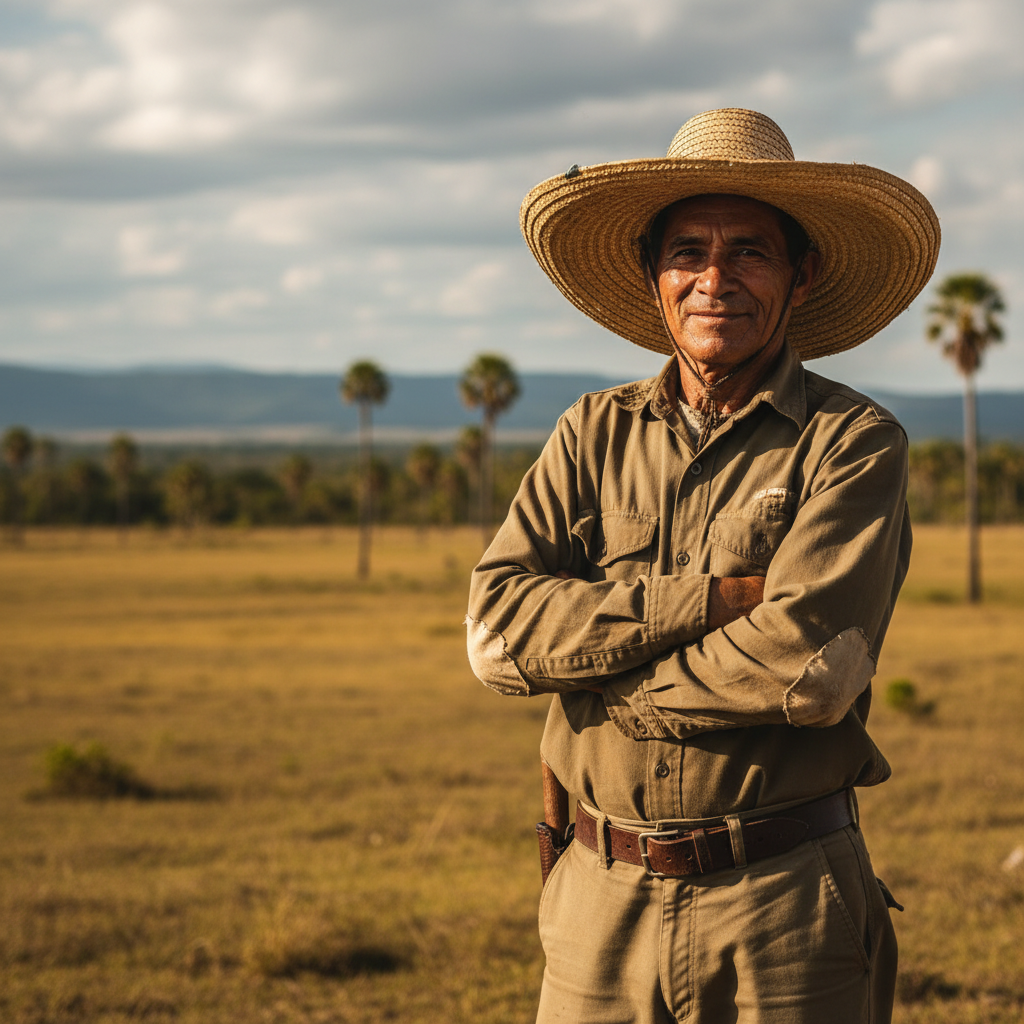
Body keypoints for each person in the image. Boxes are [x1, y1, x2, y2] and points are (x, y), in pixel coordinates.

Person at [465, 108, 941, 1023]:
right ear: (654, 273)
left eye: (749, 252)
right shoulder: (590, 432)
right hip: (598, 894)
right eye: (688, 251)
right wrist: (713, 601)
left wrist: (603, 685)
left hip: (785, 901)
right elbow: (495, 634)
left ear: (801, 275)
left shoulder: (851, 441)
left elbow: (807, 670)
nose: (714, 280)